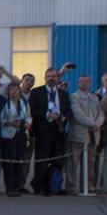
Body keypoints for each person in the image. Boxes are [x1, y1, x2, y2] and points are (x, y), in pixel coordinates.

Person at [29, 66, 72, 195]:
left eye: (53, 76)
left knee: (57, 160)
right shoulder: (36, 92)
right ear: (45, 78)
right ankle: (39, 186)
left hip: (58, 130)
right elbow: (33, 110)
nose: (51, 79)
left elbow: (69, 111)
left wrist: (64, 116)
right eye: (48, 77)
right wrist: (47, 114)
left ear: (57, 78)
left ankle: (54, 185)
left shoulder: (63, 94)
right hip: (43, 130)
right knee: (42, 159)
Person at [68, 74, 103, 195]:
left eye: (87, 81)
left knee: (90, 162)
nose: (84, 83)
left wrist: (98, 123)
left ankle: (87, 186)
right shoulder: (73, 97)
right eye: (81, 81)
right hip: (79, 134)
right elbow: (78, 114)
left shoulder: (94, 98)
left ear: (90, 83)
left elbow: (100, 113)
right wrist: (92, 124)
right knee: (73, 161)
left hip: (93, 135)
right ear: (78, 83)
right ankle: (71, 187)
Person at [0, 80, 27, 196]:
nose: (14, 92)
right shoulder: (5, 103)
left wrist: (25, 123)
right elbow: (0, 119)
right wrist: (10, 123)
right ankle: (9, 187)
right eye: (12, 90)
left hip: (20, 133)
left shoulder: (22, 102)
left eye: (17, 90)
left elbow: (27, 116)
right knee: (9, 161)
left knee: (19, 160)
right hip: (7, 135)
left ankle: (16, 186)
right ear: (8, 92)